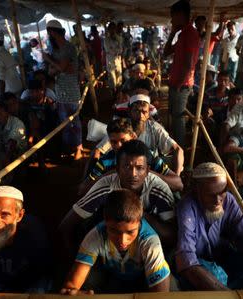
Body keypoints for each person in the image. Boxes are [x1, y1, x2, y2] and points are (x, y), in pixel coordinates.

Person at [58, 140, 176, 267]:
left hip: (146, 254)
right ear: (117, 169)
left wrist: (141, 216)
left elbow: (172, 236)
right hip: (106, 252)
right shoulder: (105, 187)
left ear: (148, 171)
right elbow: (66, 226)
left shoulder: (158, 189)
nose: (133, 174)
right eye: (127, 167)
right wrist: (74, 261)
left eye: (139, 168)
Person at [175, 162, 243, 290]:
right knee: (213, 275)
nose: (218, 200)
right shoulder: (187, 207)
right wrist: (227, 294)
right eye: (211, 194)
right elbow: (186, 258)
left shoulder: (229, 200)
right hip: (200, 263)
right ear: (197, 191)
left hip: (223, 257)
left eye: (222, 192)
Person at [61, 189, 170, 294]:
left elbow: (160, 294)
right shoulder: (96, 236)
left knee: (171, 287)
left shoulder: (150, 242)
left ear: (139, 223)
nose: (122, 240)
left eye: (130, 232)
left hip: (144, 279)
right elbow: (71, 286)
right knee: (89, 279)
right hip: (112, 277)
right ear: (105, 221)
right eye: (113, 231)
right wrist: (74, 293)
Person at [82, 121, 183, 193]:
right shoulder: (105, 161)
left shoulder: (148, 156)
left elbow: (178, 185)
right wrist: (111, 175)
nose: (119, 146)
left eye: (123, 140)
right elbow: (83, 189)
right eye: (114, 142)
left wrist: (146, 172)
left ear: (133, 137)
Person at [43, 20, 83, 160]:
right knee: (64, 123)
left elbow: (60, 68)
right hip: (60, 92)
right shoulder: (55, 50)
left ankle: (78, 147)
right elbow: (51, 72)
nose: (49, 36)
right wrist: (58, 67)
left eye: (49, 33)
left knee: (75, 122)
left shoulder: (69, 48)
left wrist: (50, 61)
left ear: (53, 33)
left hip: (72, 91)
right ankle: (68, 147)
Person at [163, 0, 200, 146]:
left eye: (173, 16)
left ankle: (180, 151)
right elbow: (166, 52)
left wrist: (178, 85)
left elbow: (189, 64)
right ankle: (176, 147)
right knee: (175, 117)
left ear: (180, 15)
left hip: (182, 85)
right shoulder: (183, 34)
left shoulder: (190, 33)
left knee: (178, 120)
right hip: (177, 83)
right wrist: (173, 32)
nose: (171, 20)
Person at [0, 28, 23, 98]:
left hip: (10, 92)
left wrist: (1, 95)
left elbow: (1, 78)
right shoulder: (5, 52)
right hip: (18, 86)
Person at [104, 22, 123, 92]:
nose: (112, 30)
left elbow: (120, 49)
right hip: (110, 61)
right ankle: (113, 94)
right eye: (111, 29)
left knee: (119, 79)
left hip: (117, 61)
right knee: (112, 79)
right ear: (109, 30)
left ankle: (118, 94)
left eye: (114, 29)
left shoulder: (118, 38)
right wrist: (116, 50)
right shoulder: (106, 39)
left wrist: (115, 50)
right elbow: (108, 49)